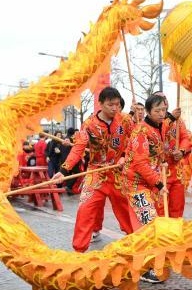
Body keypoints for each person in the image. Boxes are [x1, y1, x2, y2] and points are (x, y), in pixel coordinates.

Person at [53, 86, 136, 252]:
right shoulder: (89, 124)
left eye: (117, 104)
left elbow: (134, 140)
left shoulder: (125, 120)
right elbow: (78, 147)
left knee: (128, 211)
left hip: (118, 173)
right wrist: (63, 170)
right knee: (85, 209)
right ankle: (78, 250)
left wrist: (124, 156)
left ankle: (137, 245)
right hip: (95, 173)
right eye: (110, 104)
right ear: (100, 104)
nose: (114, 108)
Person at [120, 94, 170, 284]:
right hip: (136, 184)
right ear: (148, 111)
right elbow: (140, 163)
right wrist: (159, 183)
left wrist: (161, 162)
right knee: (146, 224)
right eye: (157, 110)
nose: (161, 114)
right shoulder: (141, 130)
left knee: (150, 223)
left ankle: (150, 262)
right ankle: (141, 268)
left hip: (148, 183)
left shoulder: (158, 127)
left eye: (163, 110)